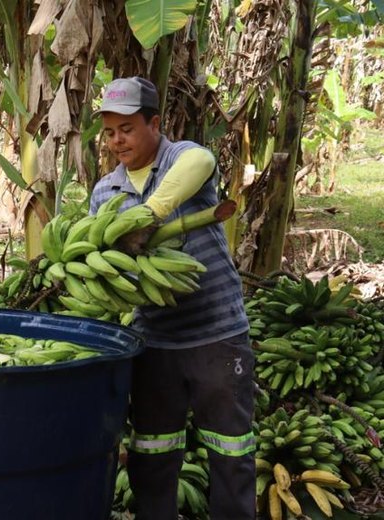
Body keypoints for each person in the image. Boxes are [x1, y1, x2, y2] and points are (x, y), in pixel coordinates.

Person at [89, 78, 254, 519]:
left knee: (230, 448)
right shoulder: (105, 192)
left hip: (215, 332)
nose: (117, 140)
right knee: (152, 451)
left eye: (126, 128)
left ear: (155, 122)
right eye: (109, 132)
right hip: (154, 338)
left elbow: (203, 158)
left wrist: (150, 213)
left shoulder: (182, 159)